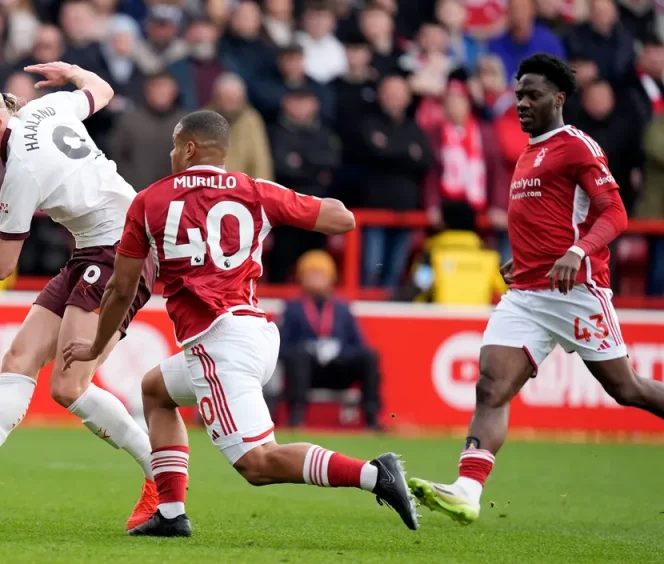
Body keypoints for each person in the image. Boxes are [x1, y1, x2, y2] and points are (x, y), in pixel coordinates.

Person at [61, 110, 419, 537]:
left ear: (189, 148)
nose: (172, 153)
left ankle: (374, 474)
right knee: (156, 391)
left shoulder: (150, 200)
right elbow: (342, 218)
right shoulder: (254, 190)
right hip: (254, 332)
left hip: (217, 343)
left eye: (176, 146)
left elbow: (121, 289)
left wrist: (95, 346)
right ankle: (171, 513)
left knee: (258, 463)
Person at [0, 62, 159, 534]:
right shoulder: (47, 106)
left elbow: (1, 266)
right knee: (19, 357)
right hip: (94, 249)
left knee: (68, 387)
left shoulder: (21, 168)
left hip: (123, 253)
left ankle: (162, 478)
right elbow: (100, 88)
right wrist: (72, 70)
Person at [409, 53, 664, 525]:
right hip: (528, 292)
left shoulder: (576, 146)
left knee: (627, 389)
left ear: (559, 98)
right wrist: (525, 257)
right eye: (519, 94)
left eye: (532, 95)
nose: (522, 103)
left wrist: (578, 252)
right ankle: (466, 490)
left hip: (577, 290)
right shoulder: (530, 151)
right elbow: (548, 218)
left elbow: (615, 212)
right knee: (491, 385)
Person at [277, 250, 381, 430]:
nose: (316, 279)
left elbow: (358, 344)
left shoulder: (342, 309)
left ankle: (372, 419)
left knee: (369, 357)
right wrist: (307, 349)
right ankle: (296, 418)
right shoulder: (292, 309)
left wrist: (339, 351)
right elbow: (282, 347)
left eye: (321, 275)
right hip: (307, 371)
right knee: (299, 357)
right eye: (311, 274)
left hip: (338, 369)